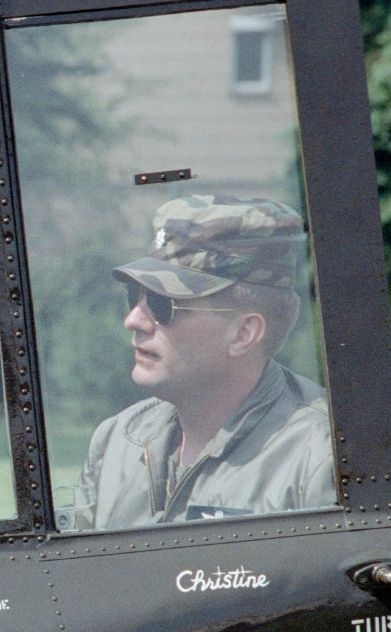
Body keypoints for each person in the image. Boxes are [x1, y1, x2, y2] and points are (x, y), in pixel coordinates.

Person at [72, 194, 338, 529]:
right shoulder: (117, 441)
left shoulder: (325, 460)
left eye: (161, 302)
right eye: (134, 296)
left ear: (243, 333)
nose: (134, 320)